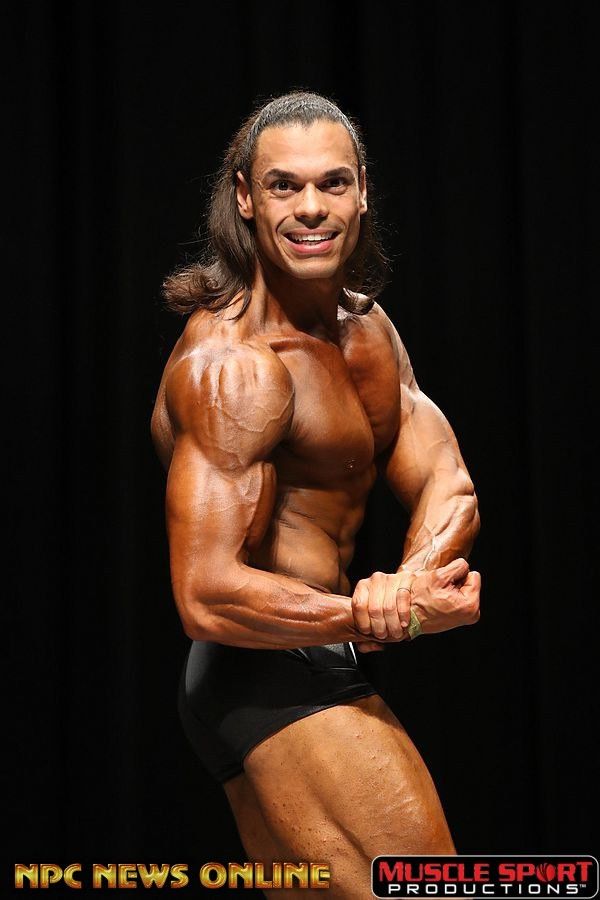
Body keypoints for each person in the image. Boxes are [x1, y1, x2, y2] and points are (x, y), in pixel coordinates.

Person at [151, 90, 481, 897]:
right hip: (263, 671)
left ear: (362, 192)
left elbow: (446, 480)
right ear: (244, 198)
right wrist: (375, 617)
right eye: (283, 186)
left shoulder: (367, 330)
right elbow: (205, 594)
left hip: (304, 659)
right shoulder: (234, 366)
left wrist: (408, 583)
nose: (310, 208)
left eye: (332, 183)